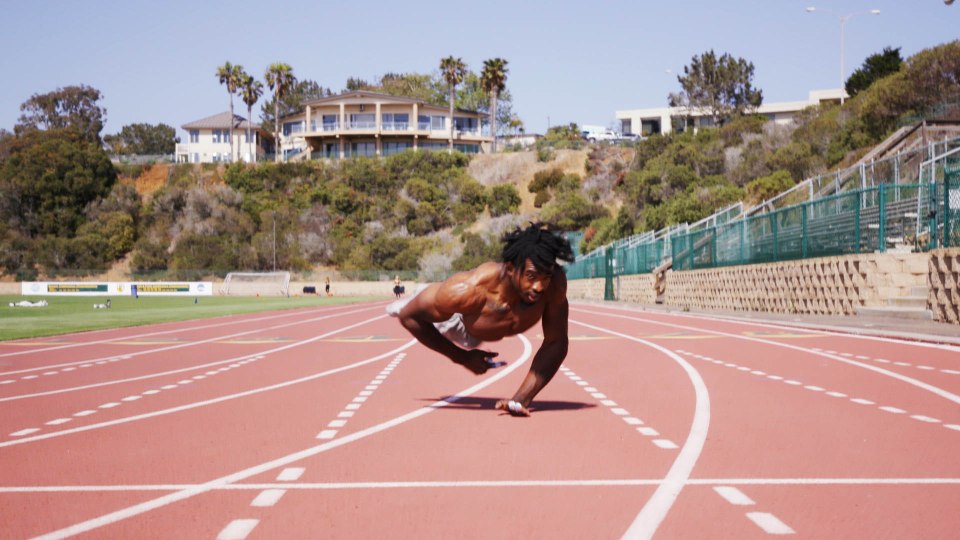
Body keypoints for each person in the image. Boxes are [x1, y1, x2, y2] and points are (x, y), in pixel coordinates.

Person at [388, 222, 574, 417]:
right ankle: (416, 295)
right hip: (457, 323)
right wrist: (462, 357)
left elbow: (557, 342)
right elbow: (409, 319)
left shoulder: (553, 286)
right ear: (511, 269)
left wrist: (520, 400)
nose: (538, 286)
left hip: (485, 325)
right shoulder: (469, 291)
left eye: (546, 276)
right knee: (411, 309)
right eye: (531, 276)